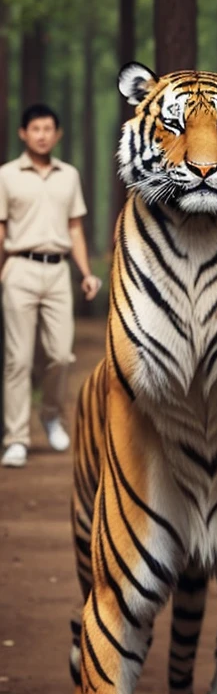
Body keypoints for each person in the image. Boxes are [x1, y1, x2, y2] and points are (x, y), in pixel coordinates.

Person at [0, 103, 101, 468]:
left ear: (56, 135)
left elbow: (75, 228)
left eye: (48, 129)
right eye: (35, 129)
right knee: (18, 359)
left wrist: (86, 273)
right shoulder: (7, 176)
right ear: (23, 134)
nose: (42, 135)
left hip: (58, 272)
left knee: (60, 354)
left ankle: (51, 414)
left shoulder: (68, 176)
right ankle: (16, 438)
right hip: (19, 269)